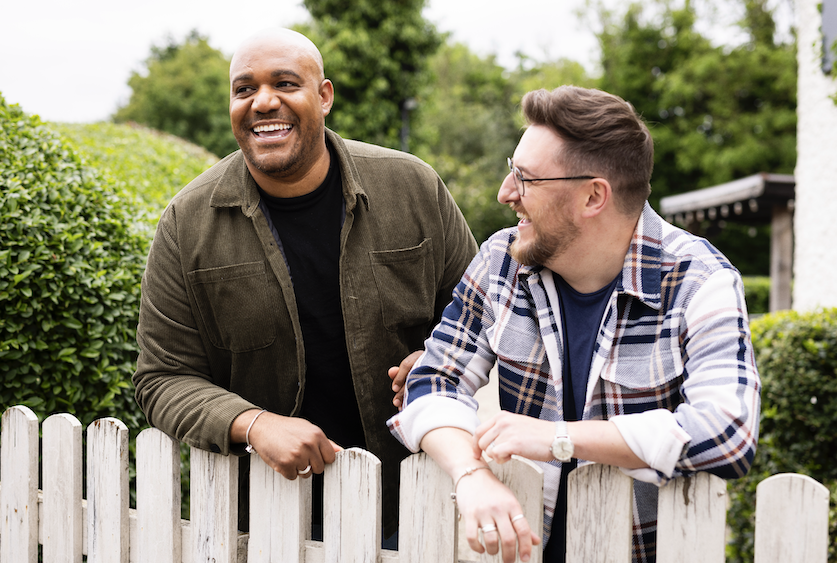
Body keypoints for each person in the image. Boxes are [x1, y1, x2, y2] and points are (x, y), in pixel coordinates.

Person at [387, 85, 760, 563]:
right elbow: (433, 382)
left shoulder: (699, 282)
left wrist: (558, 437)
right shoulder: (502, 258)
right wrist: (471, 474)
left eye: (525, 179)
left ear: (592, 197)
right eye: (511, 171)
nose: (506, 194)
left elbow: (728, 433)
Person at [132, 27, 478, 540]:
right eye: (244, 89)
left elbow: (482, 317)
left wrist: (435, 359)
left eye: (286, 84)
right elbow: (161, 377)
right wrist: (252, 423)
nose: (263, 102)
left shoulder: (413, 188)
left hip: (416, 504)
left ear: (324, 96)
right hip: (266, 517)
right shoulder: (187, 224)